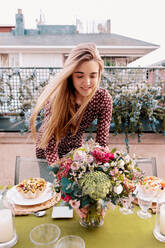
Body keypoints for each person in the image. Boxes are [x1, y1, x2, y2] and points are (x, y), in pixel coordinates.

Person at [30, 43, 113, 165]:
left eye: (93, 75)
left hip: (75, 151)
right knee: (54, 183)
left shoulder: (103, 98)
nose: (87, 82)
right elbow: (50, 146)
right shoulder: (57, 97)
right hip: (48, 151)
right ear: (70, 76)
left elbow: (101, 144)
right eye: (80, 76)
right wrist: (57, 170)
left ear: (99, 74)